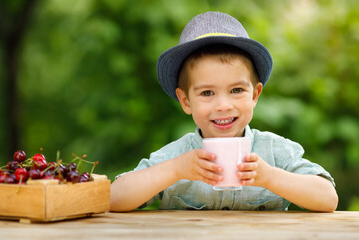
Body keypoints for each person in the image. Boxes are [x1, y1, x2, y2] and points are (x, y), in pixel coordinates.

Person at [110, 11, 338, 212]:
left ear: (255, 95)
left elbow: (327, 198)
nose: (223, 105)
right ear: (185, 101)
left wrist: (270, 177)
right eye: (207, 93)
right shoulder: (176, 157)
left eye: (236, 90)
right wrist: (175, 170)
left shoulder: (275, 152)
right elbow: (113, 198)